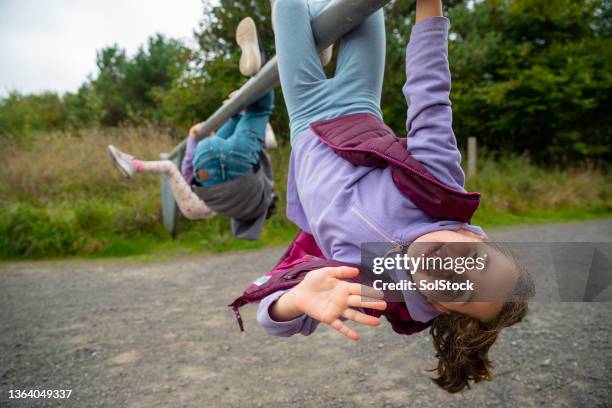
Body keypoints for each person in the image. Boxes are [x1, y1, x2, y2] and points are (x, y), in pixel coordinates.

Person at [232, 0, 535, 393]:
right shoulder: (438, 189)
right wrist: (431, 5)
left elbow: (271, 319)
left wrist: (296, 299)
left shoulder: (377, 289)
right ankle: (318, 40)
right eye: (474, 260)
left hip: (306, 116)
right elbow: (430, 94)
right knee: (360, 6)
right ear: (474, 236)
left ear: (440, 306)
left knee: (287, 4)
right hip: (359, 101)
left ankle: (310, 40)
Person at [107, 17, 278, 241]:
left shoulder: (261, 200)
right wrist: (193, 141)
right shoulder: (228, 210)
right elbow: (187, 165)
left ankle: (258, 67)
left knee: (259, 110)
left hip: (239, 164)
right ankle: (241, 100)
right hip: (204, 164)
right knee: (222, 138)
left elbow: (261, 163)